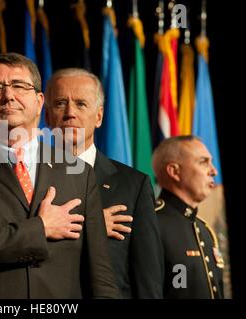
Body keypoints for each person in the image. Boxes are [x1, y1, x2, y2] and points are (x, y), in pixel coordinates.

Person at [0, 53, 119, 299]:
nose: (8, 95)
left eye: (19, 86)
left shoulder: (78, 172)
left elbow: (100, 275)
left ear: (39, 101)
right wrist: (40, 228)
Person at [45, 68, 164, 298]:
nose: (70, 113)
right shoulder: (26, 177)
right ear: (47, 116)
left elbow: (147, 277)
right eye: (60, 103)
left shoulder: (133, 185)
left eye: (81, 104)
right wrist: (93, 225)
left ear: (98, 116)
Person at [152, 136, 224, 299]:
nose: (214, 171)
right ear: (174, 171)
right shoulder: (152, 224)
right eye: (203, 162)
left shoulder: (205, 230)